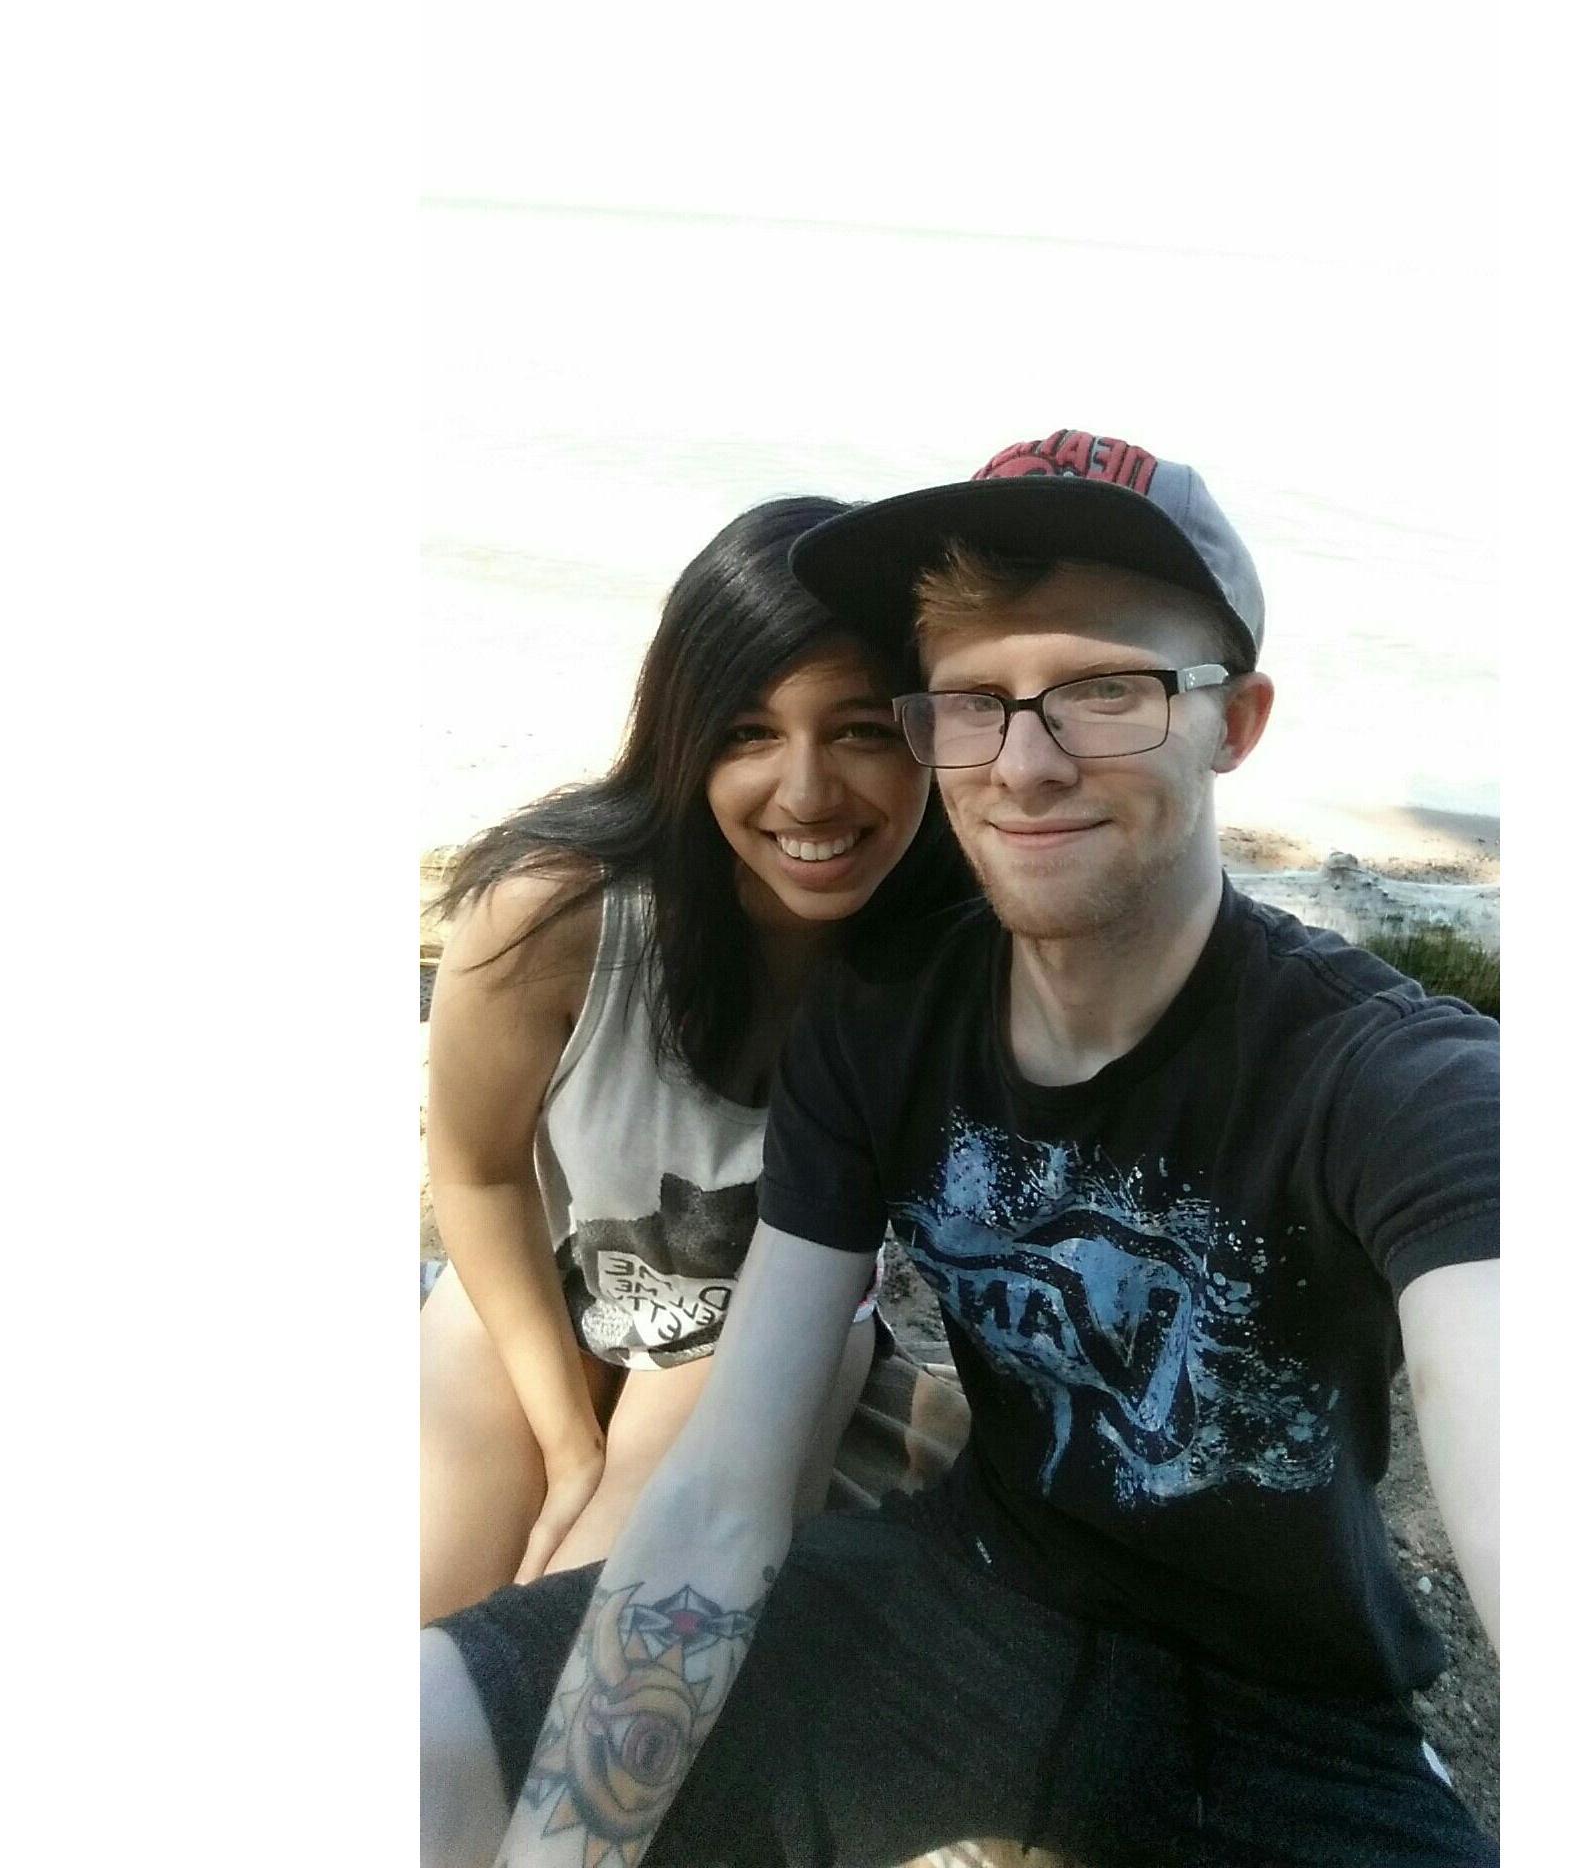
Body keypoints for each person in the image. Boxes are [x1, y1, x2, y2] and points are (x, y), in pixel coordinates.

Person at [422, 431, 1500, 1866]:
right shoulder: (883, 1014)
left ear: (1235, 721)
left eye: (1105, 692)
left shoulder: (1394, 1081)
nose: (1027, 765)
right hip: (958, 1614)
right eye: (975, 703)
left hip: (1291, 1716)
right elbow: (725, 1494)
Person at [420, 494, 972, 1625]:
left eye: (861, 730)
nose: (806, 792)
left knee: (588, 1636)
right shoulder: (553, 916)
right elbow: (475, 1171)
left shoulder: (958, 957)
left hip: (759, 1325)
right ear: (682, 738)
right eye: (747, 733)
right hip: (541, 1287)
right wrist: (568, 1443)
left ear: (931, 732)